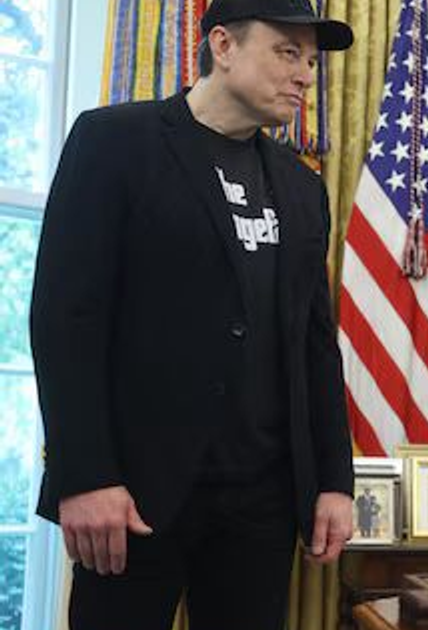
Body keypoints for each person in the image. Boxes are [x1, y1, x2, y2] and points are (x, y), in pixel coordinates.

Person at [30, 1, 356, 628]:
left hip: (262, 502)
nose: (305, 75)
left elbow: (315, 344)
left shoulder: (301, 187)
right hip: (131, 497)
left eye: (312, 61)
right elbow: (66, 319)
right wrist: (85, 474)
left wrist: (334, 481)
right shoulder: (114, 142)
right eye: (287, 52)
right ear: (223, 46)